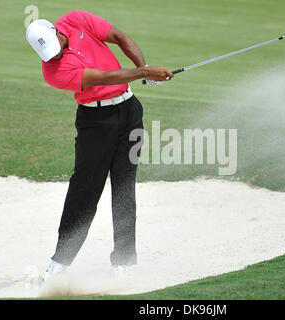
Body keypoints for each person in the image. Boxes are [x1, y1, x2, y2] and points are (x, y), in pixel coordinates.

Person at [25, 10, 173, 283]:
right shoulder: (53, 72)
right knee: (84, 190)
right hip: (95, 123)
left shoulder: (77, 19)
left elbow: (118, 36)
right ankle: (60, 262)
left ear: (57, 30)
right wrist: (144, 71)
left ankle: (124, 261)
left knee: (124, 186)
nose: (55, 56)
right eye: (49, 55)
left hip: (130, 112)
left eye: (56, 48)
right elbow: (104, 78)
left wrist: (144, 69)